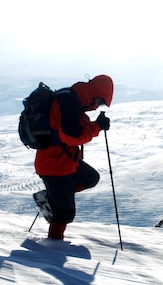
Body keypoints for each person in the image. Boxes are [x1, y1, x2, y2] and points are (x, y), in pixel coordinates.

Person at [33, 75, 114, 240]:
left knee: (91, 178)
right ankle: (53, 250)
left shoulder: (74, 100)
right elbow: (72, 135)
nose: (99, 106)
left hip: (65, 161)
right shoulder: (69, 102)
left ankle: (54, 197)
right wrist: (97, 127)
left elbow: (74, 129)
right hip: (55, 165)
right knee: (64, 214)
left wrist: (94, 126)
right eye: (101, 102)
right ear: (96, 94)